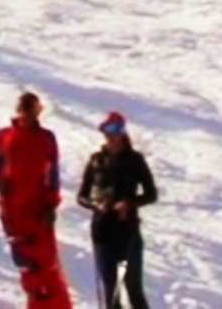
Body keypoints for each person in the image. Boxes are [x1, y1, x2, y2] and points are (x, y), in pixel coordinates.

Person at [0, 90, 73, 306]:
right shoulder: (3, 137)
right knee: (27, 267)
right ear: (17, 111)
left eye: (31, 110)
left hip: (38, 214)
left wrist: (51, 206)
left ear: (38, 112)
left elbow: (51, 175)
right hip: (13, 215)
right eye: (23, 110)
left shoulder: (46, 139)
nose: (26, 116)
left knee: (46, 268)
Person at [78, 111, 157, 309]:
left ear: (122, 132)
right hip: (103, 230)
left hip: (127, 230)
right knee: (110, 289)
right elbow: (81, 196)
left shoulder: (134, 160)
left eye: (114, 130)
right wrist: (97, 205)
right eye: (106, 130)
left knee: (133, 287)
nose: (110, 135)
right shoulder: (96, 160)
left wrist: (129, 204)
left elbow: (151, 194)